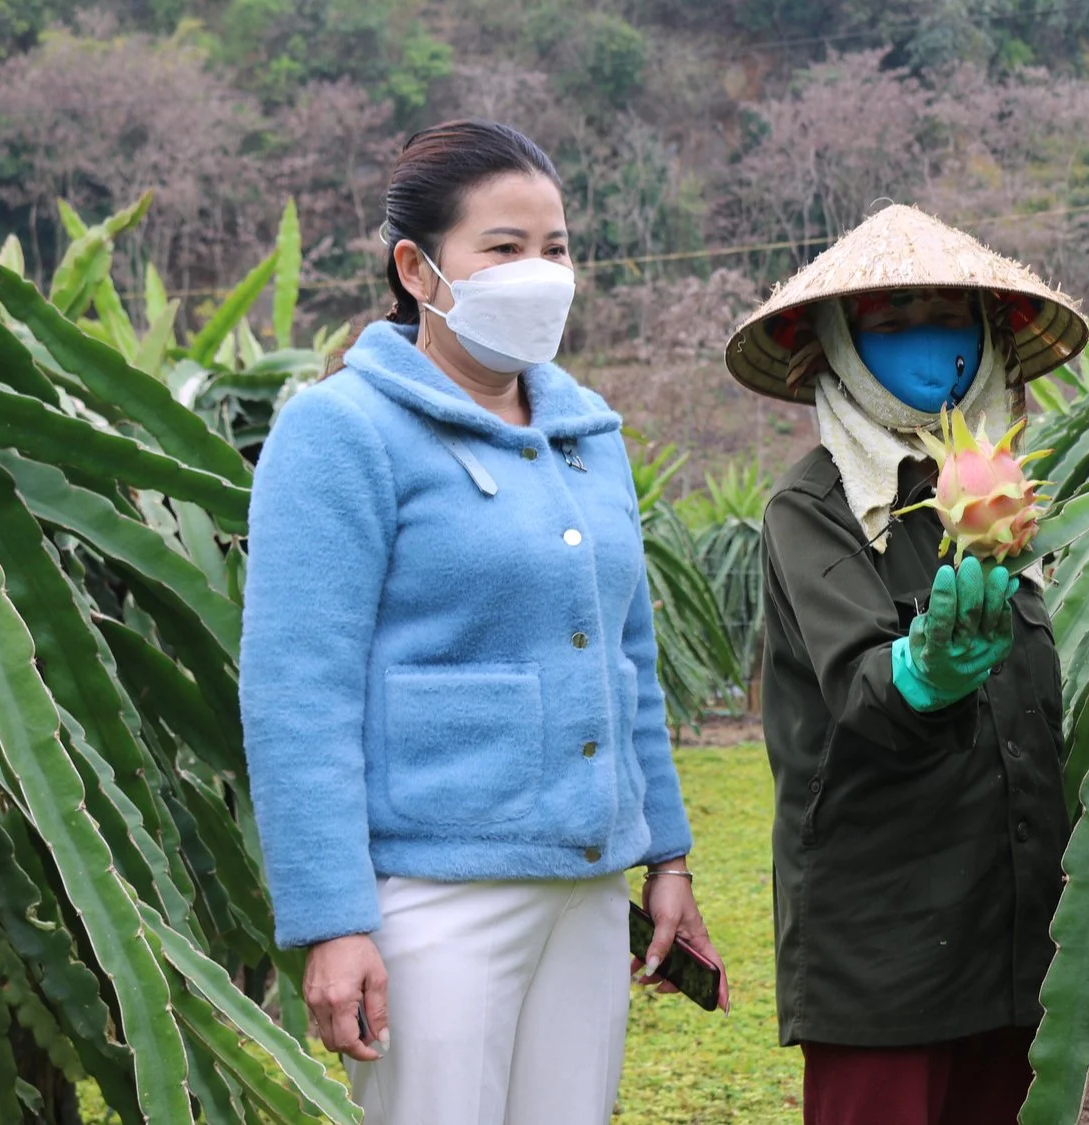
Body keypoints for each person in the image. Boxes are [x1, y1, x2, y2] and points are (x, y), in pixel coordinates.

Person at [240, 119, 719, 1125]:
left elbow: (627, 661)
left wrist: (666, 856)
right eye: (503, 248)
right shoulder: (341, 430)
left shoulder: (586, 434)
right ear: (417, 269)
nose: (538, 272)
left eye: (556, 248)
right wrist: (333, 920)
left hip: (586, 891)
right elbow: (297, 693)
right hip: (434, 896)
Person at [723, 203, 1089, 1125]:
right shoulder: (817, 508)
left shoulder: (1011, 505)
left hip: (1014, 927)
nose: (927, 336)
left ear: (988, 335)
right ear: (840, 345)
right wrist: (927, 673)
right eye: (890, 319)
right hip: (884, 943)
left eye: (947, 313)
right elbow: (860, 688)